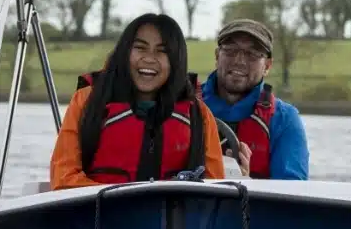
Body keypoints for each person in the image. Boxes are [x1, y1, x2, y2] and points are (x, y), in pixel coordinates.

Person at [49, 13, 225, 189]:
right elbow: (63, 178)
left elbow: (215, 187)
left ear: (176, 61)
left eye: (162, 51)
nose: (149, 59)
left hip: (173, 215)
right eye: (140, 48)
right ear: (125, 53)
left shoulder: (199, 114)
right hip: (98, 213)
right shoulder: (86, 101)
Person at [200, 18, 309, 179]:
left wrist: (247, 183)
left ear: (267, 66)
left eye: (252, 54)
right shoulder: (182, 106)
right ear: (217, 56)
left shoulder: (284, 120)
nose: (239, 61)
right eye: (230, 50)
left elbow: (293, 194)